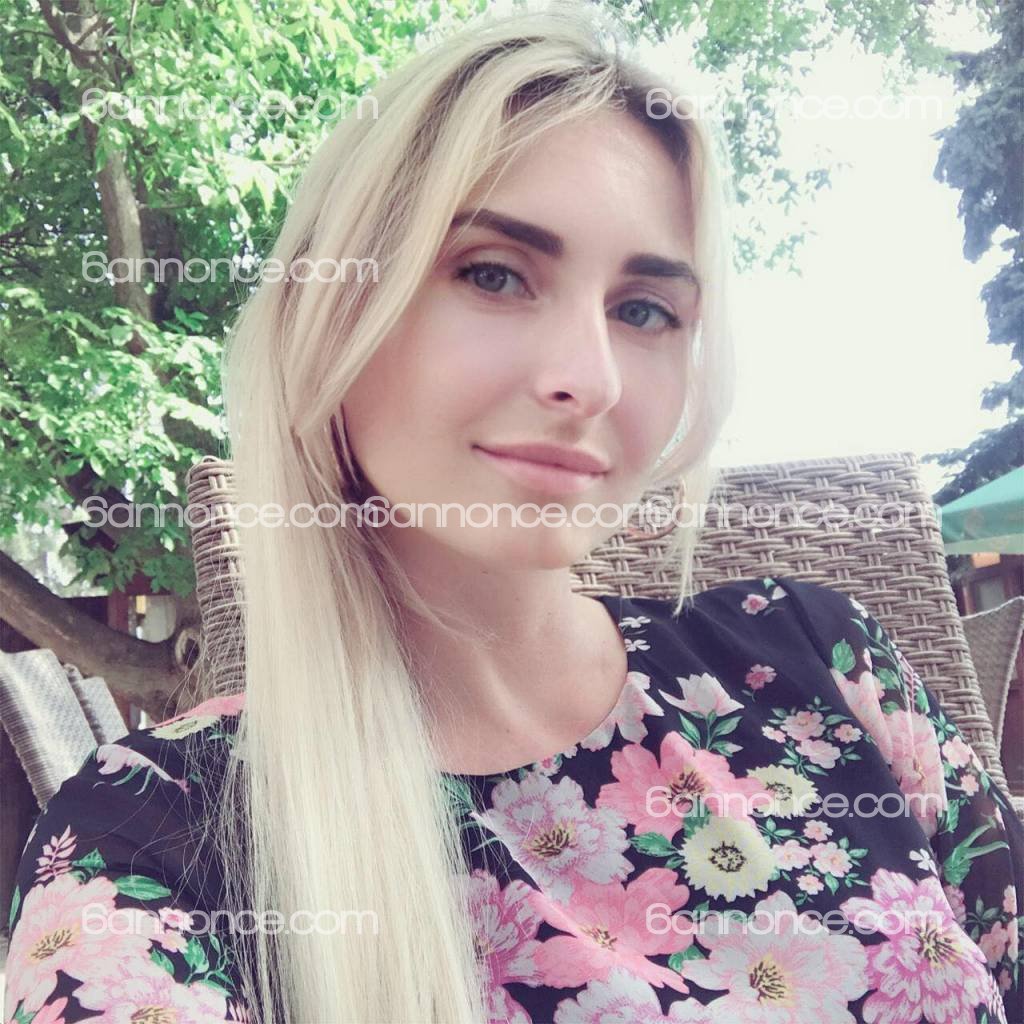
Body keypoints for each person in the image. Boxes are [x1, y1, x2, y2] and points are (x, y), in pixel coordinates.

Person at [5, 3, 1023, 1022]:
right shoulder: (150, 844)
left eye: (644, 310)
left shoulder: (821, 662)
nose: (592, 379)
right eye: (493, 274)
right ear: (327, 322)